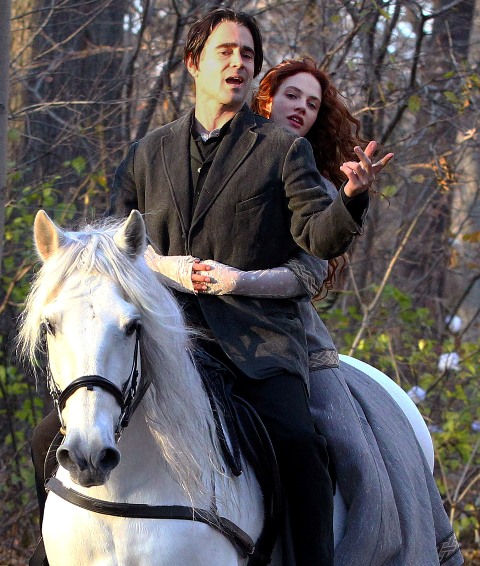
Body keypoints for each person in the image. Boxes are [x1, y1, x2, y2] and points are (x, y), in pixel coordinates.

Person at [32, 9, 380, 566]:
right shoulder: (149, 152)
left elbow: (319, 236)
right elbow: (116, 244)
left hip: (256, 346)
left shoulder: (282, 150)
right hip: (159, 338)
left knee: (300, 446)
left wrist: (351, 200)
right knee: (44, 438)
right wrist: (164, 268)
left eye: (248, 54)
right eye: (226, 51)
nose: (238, 63)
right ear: (194, 62)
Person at [146, 57, 398, 565]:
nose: (301, 108)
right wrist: (169, 268)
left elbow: (309, 271)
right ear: (265, 98)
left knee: (321, 443)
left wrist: (350, 195)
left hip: (277, 334)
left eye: (312, 104)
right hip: (186, 325)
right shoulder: (199, 155)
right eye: (291, 96)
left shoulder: (310, 179)